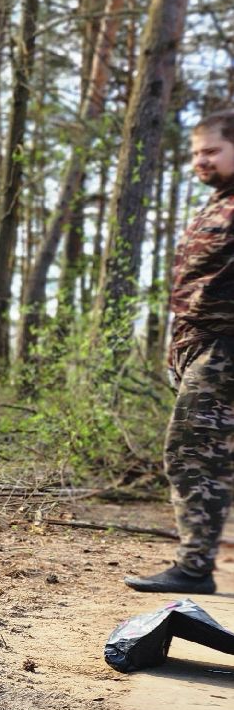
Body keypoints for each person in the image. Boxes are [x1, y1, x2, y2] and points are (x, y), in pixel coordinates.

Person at [130, 110, 234, 596]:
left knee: (191, 451)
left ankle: (194, 567)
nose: (200, 161)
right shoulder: (217, 204)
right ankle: (196, 563)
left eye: (212, 150)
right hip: (202, 346)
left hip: (225, 349)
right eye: (195, 153)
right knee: (207, 454)